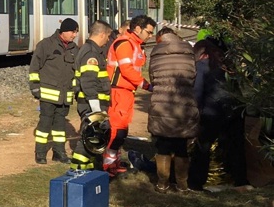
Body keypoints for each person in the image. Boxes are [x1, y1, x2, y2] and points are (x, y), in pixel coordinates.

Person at [147, 26, 200, 191]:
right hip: (184, 104)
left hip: (162, 104)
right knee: (181, 146)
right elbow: (193, 77)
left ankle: (162, 183)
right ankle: (182, 185)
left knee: (163, 144)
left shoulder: (156, 54)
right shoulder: (189, 52)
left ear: (160, 39)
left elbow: (153, 78)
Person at [102, 15, 156, 176]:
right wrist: (146, 85)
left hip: (126, 92)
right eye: (149, 32)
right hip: (118, 92)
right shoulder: (125, 43)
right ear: (138, 29)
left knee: (122, 131)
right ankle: (108, 165)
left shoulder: (135, 45)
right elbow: (126, 70)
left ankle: (113, 161)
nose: (150, 35)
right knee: (116, 131)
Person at [191, 39, 247, 189]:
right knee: (236, 147)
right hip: (235, 111)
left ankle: (196, 182)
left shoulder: (202, 65)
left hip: (211, 112)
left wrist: (196, 113)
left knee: (203, 148)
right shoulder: (227, 65)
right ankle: (240, 180)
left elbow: (197, 91)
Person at [28, 18, 79, 164]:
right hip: (48, 94)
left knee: (59, 126)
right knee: (44, 124)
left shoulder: (75, 49)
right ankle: (40, 153)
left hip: (65, 96)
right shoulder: (46, 45)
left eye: (76, 32)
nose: (74, 35)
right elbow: (34, 67)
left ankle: (59, 152)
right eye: (72, 32)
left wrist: (76, 90)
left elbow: (76, 73)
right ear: (64, 31)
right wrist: (35, 87)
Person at [71, 19, 113, 170]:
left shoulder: (91, 50)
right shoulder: (91, 53)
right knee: (89, 137)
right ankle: (78, 171)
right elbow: (88, 82)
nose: (108, 40)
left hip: (92, 104)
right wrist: (96, 107)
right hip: (91, 105)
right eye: (108, 36)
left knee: (95, 139)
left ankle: (89, 171)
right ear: (102, 34)